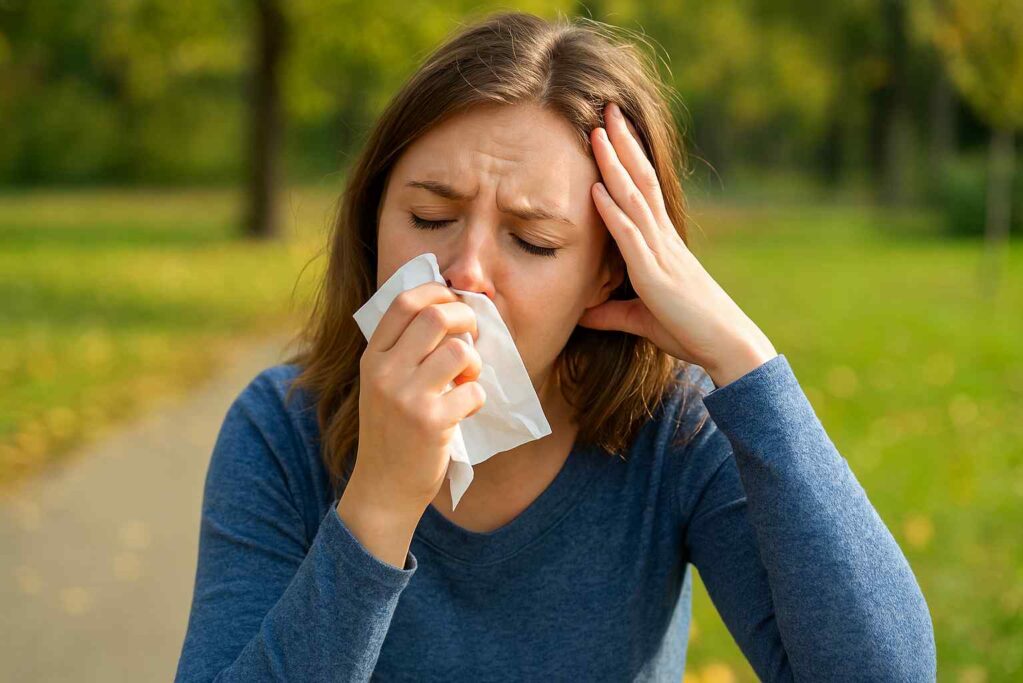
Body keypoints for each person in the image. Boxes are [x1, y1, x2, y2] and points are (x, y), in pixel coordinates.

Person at [174, 11, 936, 682]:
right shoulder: (280, 430)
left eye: (533, 240)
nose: (467, 271)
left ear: (610, 271)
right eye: (430, 217)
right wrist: (379, 499)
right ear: (374, 219)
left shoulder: (670, 430)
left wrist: (745, 360)